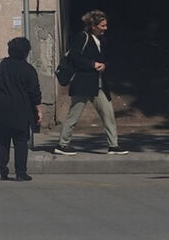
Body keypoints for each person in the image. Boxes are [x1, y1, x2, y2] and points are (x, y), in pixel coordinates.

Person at [54, 10, 128, 155]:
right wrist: (92, 64)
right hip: (83, 83)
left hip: (99, 85)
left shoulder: (102, 40)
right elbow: (74, 57)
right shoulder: (83, 37)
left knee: (108, 114)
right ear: (93, 26)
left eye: (106, 25)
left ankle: (113, 145)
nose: (105, 28)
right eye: (102, 25)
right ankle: (62, 144)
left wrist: (103, 65)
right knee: (74, 115)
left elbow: (106, 58)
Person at [0, 37, 42, 181]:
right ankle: (21, 172)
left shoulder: (0, 65)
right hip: (22, 111)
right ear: (26, 52)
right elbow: (34, 92)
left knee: (2, 141)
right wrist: (38, 109)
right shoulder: (28, 70)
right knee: (21, 141)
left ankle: (1, 171)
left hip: (1, 109)